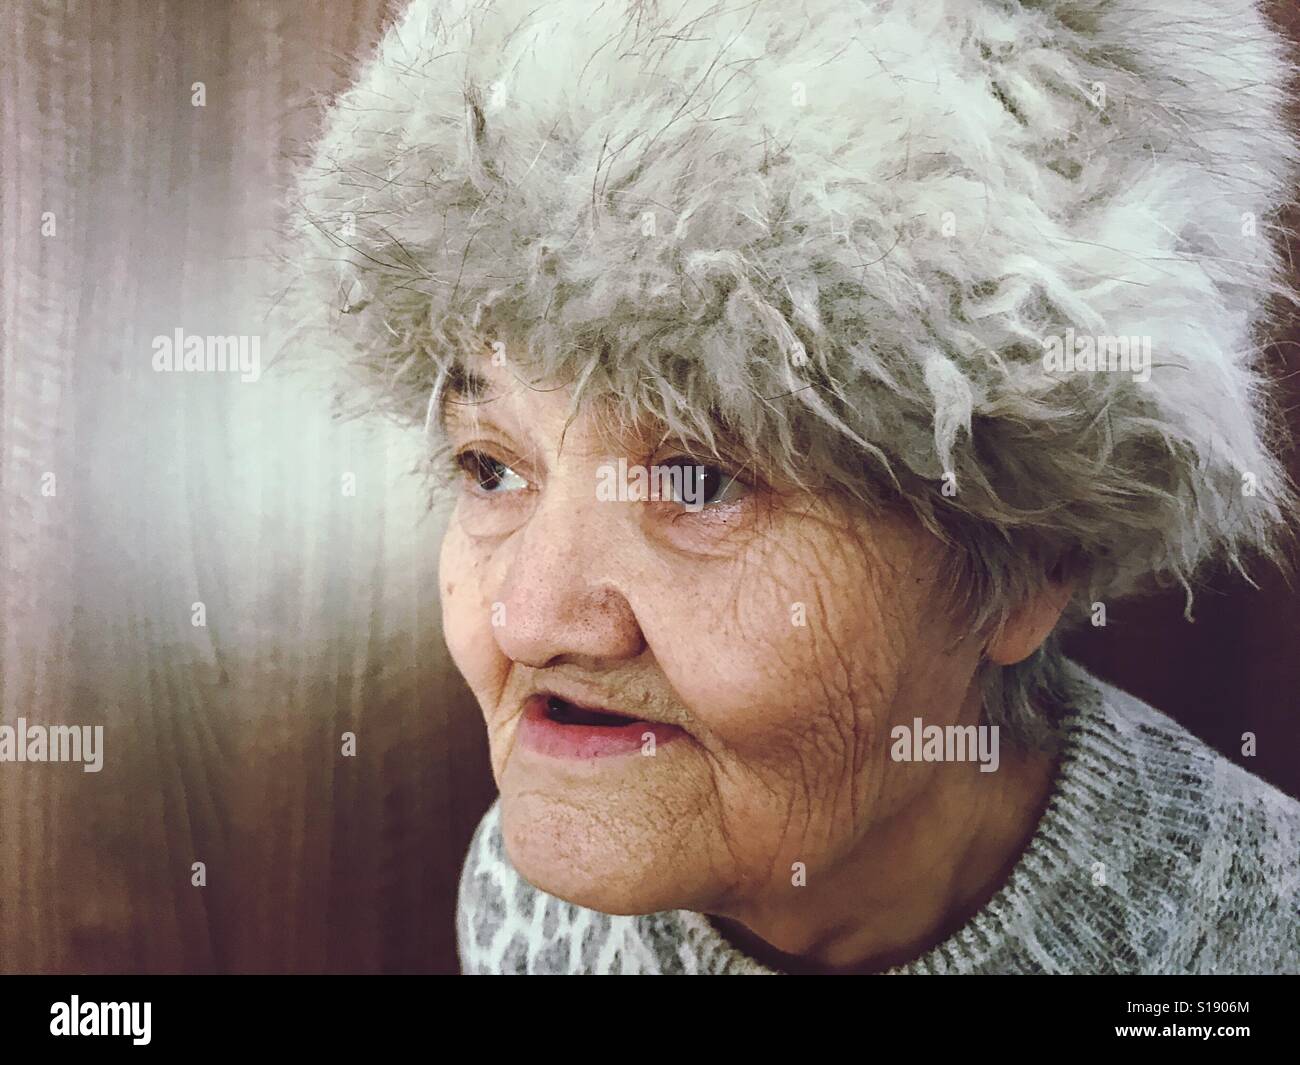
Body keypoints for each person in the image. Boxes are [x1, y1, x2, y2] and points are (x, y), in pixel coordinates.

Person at [284, 0, 1300, 973]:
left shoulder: (1258, 938)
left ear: (1030, 564)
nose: (527, 617)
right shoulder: (519, 899)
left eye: (699, 479)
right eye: (491, 467)